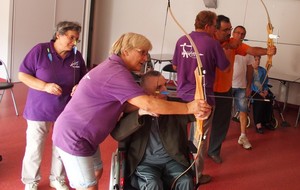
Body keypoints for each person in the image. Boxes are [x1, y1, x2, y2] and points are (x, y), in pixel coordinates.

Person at [52, 32, 212, 190]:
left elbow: (129, 104)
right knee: (88, 186)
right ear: (126, 51)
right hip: (75, 136)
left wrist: (201, 109)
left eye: (146, 54)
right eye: (142, 53)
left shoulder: (112, 67)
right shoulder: (116, 72)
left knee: (97, 170)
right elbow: (148, 105)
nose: (145, 58)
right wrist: (188, 107)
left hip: (85, 136)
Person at [19, 21, 87, 190]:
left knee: (61, 147)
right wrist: (44, 86)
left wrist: (80, 86)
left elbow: (84, 78)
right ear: (58, 35)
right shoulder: (40, 50)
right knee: (35, 148)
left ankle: (57, 178)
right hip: (39, 109)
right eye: (71, 38)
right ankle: (31, 181)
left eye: (76, 39)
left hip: (65, 110)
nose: (74, 42)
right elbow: (22, 75)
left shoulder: (76, 56)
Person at [208, 15, 277, 164]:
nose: (229, 33)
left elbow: (251, 50)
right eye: (226, 30)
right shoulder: (209, 41)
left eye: (230, 29)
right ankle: (195, 152)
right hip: (207, 89)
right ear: (216, 29)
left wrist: (268, 51)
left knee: (221, 123)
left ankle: (213, 151)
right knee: (201, 123)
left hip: (225, 89)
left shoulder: (234, 44)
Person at [172, 10, 230, 184]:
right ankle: (195, 175)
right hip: (203, 99)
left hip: (181, 96)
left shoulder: (182, 40)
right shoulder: (212, 44)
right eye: (214, 26)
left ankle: (176, 170)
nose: (215, 29)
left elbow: (175, 66)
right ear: (207, 26)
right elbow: (225, 68)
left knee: (179, 135)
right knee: (198, 138)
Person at [111, 70, 195, 190]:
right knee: (152, 184)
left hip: (173, 160)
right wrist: (140, 113)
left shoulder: (175, 106)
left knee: (186, 181)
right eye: (158, 87)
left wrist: (203, 109)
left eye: (165, 84)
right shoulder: (135, 110)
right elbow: (117, 134)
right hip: (145, 163)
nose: (165, 90)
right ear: (146, 93)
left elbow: (196, 112)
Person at [231, 26, 254, 150]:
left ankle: (243, 136)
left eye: (242, 34)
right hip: (226, 87)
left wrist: (249, 85)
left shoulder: (247, 50)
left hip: (241, 86)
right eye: (238, 33)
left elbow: (250, 69)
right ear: (233, 33)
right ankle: (219, 135)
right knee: (221, 113)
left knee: (243, 111)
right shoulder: (226, 47)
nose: (240, 35)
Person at [251, 55, 275, 134]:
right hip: (252, 91)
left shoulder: (263, 70)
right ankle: (258, 124)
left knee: (269, 99)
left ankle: (267, 121)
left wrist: (265, 90)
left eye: (259, 59)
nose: (257, 61)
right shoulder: (249, 70)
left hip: (262, 91)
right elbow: (249, 84)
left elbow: (265, 83)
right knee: (260, 100)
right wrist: (259, 93)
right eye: (255, 59)